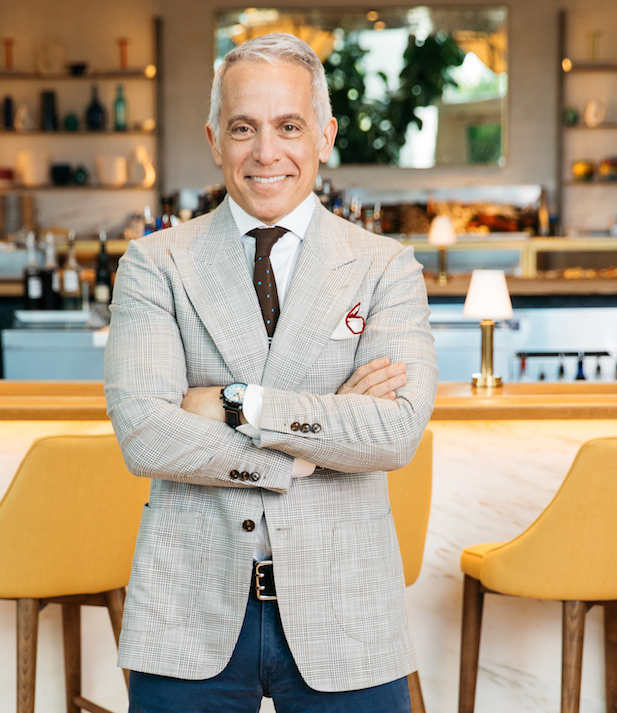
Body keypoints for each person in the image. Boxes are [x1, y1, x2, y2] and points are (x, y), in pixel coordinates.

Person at [103, 32, 438, 713]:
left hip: (347, 611)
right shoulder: (154, 263)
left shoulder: (386, 266)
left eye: (289, 127)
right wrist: (303, 454)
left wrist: (235, 402)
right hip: (187, 608)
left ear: (324, 135)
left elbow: (395, 432)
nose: (266, 152)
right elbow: (144, 432)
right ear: (213, 138)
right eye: (243, 128)